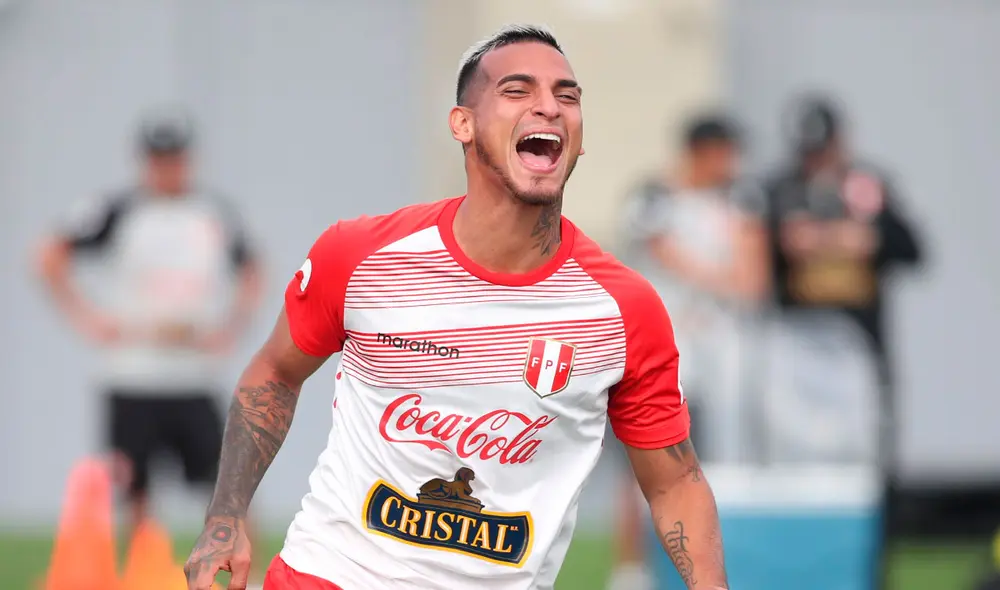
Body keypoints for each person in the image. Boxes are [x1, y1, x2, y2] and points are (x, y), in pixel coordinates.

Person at [183, 24, 729, 590]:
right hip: (331, 575)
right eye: (518, 91)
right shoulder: (362, 256)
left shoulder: (622, 309)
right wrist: (226, 519)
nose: (548, 107)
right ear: (462, 123)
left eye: (567, 96)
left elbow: (674, 483)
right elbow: (274, 373)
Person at [36, 109, 262, 531]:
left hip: (194, 375)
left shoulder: (213, 214)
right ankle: (142, 574)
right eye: (159, 159)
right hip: (133, 373)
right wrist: (87, 318)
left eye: (174, 158)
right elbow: (49, 254)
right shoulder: (116, 211)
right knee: (135, 490)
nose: (167, 169)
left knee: (230, 486)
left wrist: (232, 326)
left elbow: (252, 269)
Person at [761, 95, 923, 588]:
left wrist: (865, 239)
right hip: (794, 356)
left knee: (869, 468)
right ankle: (800, 570)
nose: (815, 161)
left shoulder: (867, 187)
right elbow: (752, 270)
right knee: (793, 468)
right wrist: (784, 245)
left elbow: (913, 249)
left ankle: (870, 571)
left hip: (860, 355)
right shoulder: (778, 191)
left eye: (823, 149)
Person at [607, 115, 768, 590]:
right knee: (642, 465)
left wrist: (726, 284)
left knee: (712, 467)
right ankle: (631, 569)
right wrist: (721, 281)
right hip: (659, 355)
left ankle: (707, 570)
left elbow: (753, 280)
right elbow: (657, 256)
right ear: (703, 152)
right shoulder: (654, 199)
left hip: (721, 358)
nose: (732, 164)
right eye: (725, 153)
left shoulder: (740, 200)